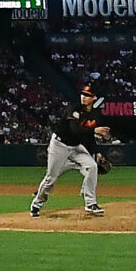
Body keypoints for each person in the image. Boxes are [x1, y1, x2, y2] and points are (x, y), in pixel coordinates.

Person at [31, 81, 111, 219]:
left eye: (87, 95)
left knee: (92, 166)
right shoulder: (74, 109)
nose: (83, 97)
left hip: (75, 147)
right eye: (83, 94)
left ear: (94, 98)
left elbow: (88, 138)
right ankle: (37, 204)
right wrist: (93, 130)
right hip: (59, 145)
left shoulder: (94, 114)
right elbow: (76, 130)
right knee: (51, 178)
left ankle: (90, 204)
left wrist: (97, 152)